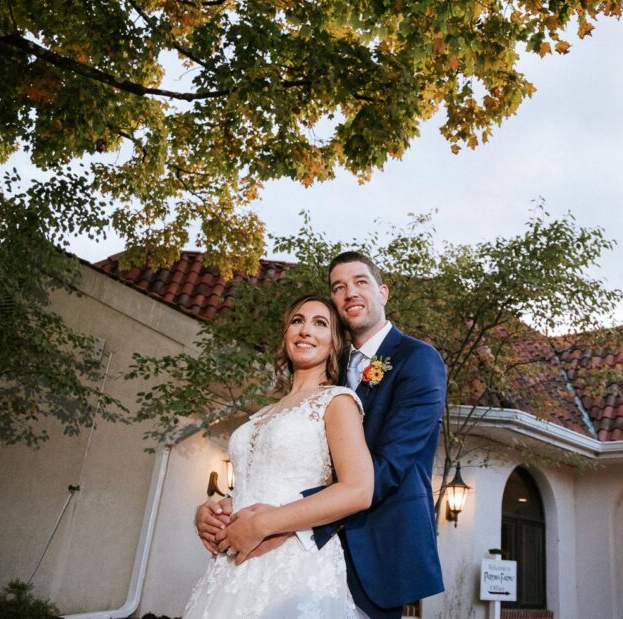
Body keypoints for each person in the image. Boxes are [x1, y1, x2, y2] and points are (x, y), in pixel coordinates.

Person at [196, 251, 446, 618]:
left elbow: (388, 467)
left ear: (383, 292)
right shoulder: (327, 363)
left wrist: (283, 519)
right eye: (338, 287)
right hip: (295, 552)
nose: (350, 292)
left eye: (360, 282)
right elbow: (302, 461)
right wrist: (231, 505)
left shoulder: (417, 359)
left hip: (375, 548)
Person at [184, 295, 372, 618]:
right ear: (286, 335)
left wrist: (261, 524)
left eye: (320, 323)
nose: (305, 330)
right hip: (231, 570)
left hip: (293, 565)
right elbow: (256, 484)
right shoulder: (263, 413)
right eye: (297, 321)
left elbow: (358, 490)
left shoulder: (337, 402)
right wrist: (211, 512)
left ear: (335, 343)